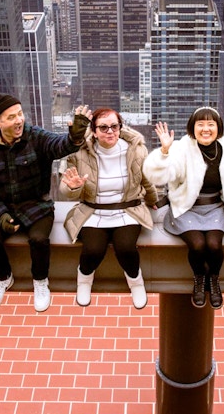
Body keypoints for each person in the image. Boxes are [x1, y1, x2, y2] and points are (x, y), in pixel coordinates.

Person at [0, 94, 91, 312]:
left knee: (38, 240)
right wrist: (0, 215)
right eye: (11, 117)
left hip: (36, 206)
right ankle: (3, 277)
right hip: (3, 206)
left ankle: (40, 280)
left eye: (20, 114)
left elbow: (58, 145)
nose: (19, 120)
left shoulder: (35, 137)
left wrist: (74, 138)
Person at [143, 107, 224, 310]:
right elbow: (158, 177)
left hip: (215, 207)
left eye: (211, 124)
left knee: (214, 245)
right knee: (198, 245)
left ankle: (214, 280)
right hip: (186, 206)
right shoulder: (182, 147)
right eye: (200, 124)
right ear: (193, 127)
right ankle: (199, 279)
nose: (206, 129)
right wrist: (165, 151)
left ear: (219, 127)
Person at [59, 107, 158, 309]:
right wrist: (73, 187)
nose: (110, 131)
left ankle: (135, 282)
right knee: (93, 249)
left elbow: (146, 179)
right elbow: (65, 188)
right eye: (103, 127)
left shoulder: (136, 150)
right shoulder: (79, 152)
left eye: (114, 126)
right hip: (92, 211)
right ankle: (84, 280)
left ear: (120, 128)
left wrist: (152, 199)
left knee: (126, 247)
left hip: (127, 210)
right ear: (94, 131)